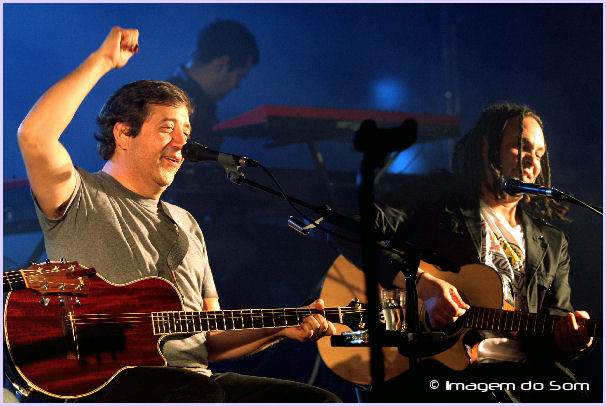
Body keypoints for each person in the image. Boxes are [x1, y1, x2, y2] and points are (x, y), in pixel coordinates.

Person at [17, 26, 340, 403]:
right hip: (110, 381)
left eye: (186, 131)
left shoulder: (187, 223)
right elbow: (34, 136)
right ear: (123, 134)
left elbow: (211, 338)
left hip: (195, 380)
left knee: (322, 402)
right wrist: (102, 61)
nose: (181, 142)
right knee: (201, 393)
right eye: (167, 128)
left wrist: (280, 329)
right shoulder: (81, 196)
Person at [330, 103, 596, 402]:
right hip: (443, 369)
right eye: (521, 147)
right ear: (486, 146)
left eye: (539, 153)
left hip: (524, 375)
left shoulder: (553, 242)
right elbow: (346, 228)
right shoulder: (440, 196)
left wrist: (573, 340)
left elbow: (554, 322)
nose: (532, 161)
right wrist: (422, 284)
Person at [166, 19, 259, 150]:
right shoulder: (179, 107)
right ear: (221, 63)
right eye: (239, 76)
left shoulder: (167, 95)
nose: (237, 85)